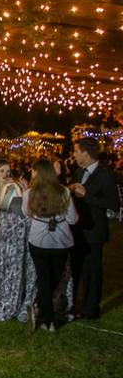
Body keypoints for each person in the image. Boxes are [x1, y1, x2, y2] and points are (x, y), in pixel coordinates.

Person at [67, 137, 121, 320]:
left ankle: (90, 309)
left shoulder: (105, 175)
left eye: (75, 151)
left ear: (85, 153)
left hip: (94, 232)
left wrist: (87, 195)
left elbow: (114, 204)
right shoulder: (78, 172)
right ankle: (70, 304)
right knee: (75, 269)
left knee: (92, 271)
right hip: (76, 230)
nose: (73, 154)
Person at [23, 159, 78, 331]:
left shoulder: (29, 193)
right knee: (53, 277)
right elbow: (73, 219)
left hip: (39, 241)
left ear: (38, 173)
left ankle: (40, 308)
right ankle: (48, 319)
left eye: (32, 171)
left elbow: (26, 214)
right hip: (60, 242)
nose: (31, 174)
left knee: (46, 278)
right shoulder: (64, 192)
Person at [0, 160, 28, 321]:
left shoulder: (15, 187)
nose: (6, 174)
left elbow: (25, 208)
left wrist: (23, 189)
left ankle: (12, 300)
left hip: (14, 232)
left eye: (8, 171)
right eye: (1, 171)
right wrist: (3, 189)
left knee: (13, 266)